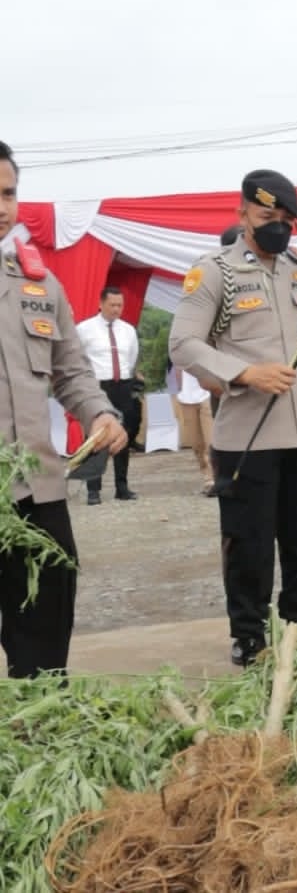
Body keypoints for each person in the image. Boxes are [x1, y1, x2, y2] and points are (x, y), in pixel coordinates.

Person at [169, 169, 297, 666]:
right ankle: (249, 635)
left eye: (284, 218)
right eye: (265, 215)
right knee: (249, 544)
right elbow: (183, 343)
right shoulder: (216, 270)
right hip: (248, 435)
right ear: (243, 215)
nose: (276, 225)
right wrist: (245, 372)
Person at [0, 139, 129, 678]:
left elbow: (71, 370)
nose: (2, 206)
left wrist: (100, 413)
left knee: (49, 608)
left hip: (35, 484)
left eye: (8, 193)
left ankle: (41, 708)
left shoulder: (38, 282)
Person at [74, 286, 142, 505]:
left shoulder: (128, 330)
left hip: (122, 384)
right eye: (112, 305)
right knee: (95, 437)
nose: (116, 309)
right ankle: (93, 489)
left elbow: (131, 358)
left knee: (123, 434)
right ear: (101, 303)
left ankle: (122, 487)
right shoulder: (84, 329)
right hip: (98, 386)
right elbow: (77, 359)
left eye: (120, 305)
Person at [174, 368, 216, 495]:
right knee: (196, 444)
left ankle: (212, 479)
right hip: (186, 398)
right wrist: (179, 387)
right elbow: (175, 366)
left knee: (211, 441)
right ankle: (206, 474)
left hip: (207, 395)